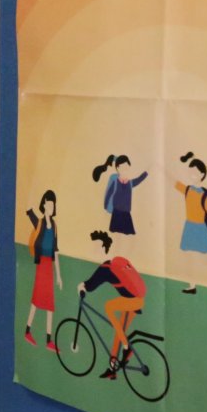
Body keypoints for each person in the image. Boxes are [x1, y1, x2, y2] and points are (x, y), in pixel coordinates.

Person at [78, 230, 146, 379]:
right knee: (119, 332)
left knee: (108, 307)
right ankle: (112, 369)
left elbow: (92, 284)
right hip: (136, 300)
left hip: (132, 302)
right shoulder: (117, 262)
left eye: (96, 249)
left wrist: (82, 286)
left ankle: (127, 348)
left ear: (103, 248)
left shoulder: (107, 268)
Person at [171, 153, 207, 294]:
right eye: (190, 172)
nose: (192, 175)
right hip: (189, 227)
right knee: (189, 258)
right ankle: (192, 286)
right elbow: (174, 181)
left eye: (195, 173)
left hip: (200, 229)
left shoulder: (204, 195)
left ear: (202, 175)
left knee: (205, 258)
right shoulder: (188, 190)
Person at [22, 190, 61, 351]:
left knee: (49, 303)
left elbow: (56, 251)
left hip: (49, 267)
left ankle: (48, 340)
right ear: (44, 205)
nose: (51, 207)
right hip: (41, 265)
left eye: (53, 205)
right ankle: (27, 331)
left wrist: (59, 275)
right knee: (37, 300)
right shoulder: (39, 223)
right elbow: (28, 210)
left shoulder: (55, 226)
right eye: (49, 204)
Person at [92, 154, 147, 236]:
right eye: (123, 168)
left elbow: (139, 180)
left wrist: (147, 172)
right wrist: (106, 207)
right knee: (117, 236)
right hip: (116, 213)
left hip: (126, 214)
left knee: (128, 236)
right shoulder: (115, 182)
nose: (125, 170)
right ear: (117, 168)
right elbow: (108, 194)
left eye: (127, 168)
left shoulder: (130, 183)